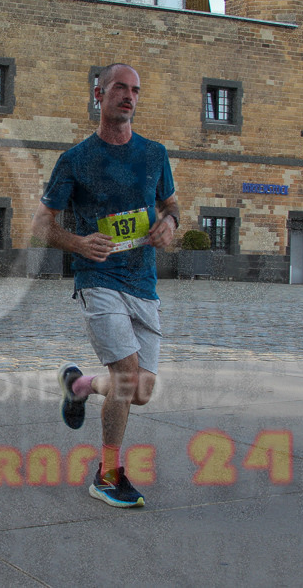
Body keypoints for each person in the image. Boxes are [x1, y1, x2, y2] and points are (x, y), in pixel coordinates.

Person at [31, 64, 178, 508]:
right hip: (98, 279)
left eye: (135, 90)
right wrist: (78, 242)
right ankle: (107, 475)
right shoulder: (75, 160)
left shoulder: (154, 154)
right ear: (99, 94)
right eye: (120, 88)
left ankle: (79, 385)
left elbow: (172, 206)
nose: (129, 96)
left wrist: (170, 224)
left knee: (140, 392)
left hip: (142, 282)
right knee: (128, 377)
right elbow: (42, 225)